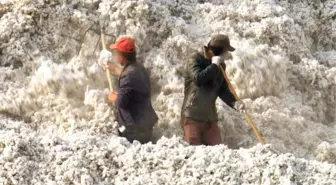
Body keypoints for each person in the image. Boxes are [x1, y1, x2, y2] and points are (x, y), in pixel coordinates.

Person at [180, 34, 244, 145]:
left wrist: (235, 102)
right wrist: (214, 65)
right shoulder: (195, 59)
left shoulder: (221, 65)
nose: (227, 54)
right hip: (192, 116)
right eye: (226, 51)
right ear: (219, 50)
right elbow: (198, 78)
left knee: (217, 150)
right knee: (193, 151)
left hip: (210, 119)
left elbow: (222, 89)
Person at [106, 36, 158, 144]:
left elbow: (122, 102)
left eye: (116, 53)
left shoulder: (129, 75)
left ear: (122, 55)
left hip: (134, 130)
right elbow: (131, 78)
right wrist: (115, 69)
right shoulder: (139, 68)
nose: (115, 56)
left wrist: (114, 97)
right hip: (144, 125)